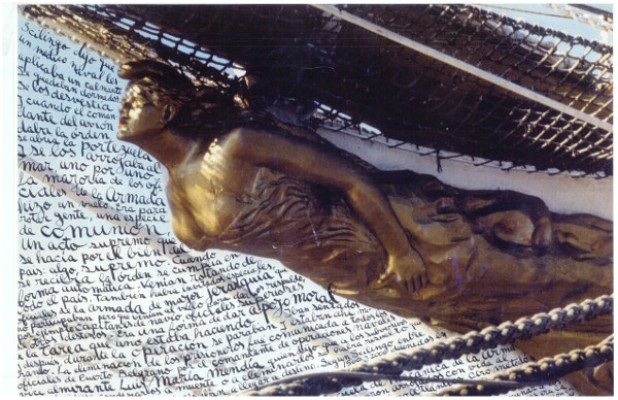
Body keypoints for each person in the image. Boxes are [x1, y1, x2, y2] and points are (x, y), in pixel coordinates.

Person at [117, 60, 612, 394]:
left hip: (399, 233)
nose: (125, 107)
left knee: (530, 276)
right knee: (489, 310)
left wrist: (401, 251)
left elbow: (352, 181)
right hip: (354, 278)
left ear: (170, 109)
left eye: (137, 100)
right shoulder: (178, 200)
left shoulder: (237, 146)